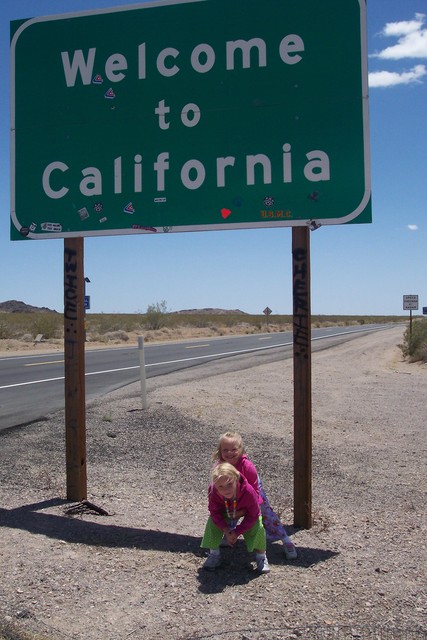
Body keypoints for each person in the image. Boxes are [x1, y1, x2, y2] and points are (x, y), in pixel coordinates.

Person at [212, 431, 297, 560]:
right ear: (220, 450)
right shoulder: (220, 466)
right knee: (228, 509)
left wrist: (246, 510)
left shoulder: (247, 466)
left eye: (233, 449)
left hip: (252, 493)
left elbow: (255, 493)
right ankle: (229, 534)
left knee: (265, 513)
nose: (229, 453)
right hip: (231, 494)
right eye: (225, 450)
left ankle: (285, 540)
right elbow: (216, 487)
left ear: (241, 449)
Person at [201, 462, 270, 573]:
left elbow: (253, 514)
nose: (226, 489)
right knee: (212, 523)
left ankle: (261, 556)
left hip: (246, 511)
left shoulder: (248, 491)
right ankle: (214, 554)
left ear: (236, 479)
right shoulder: (213, 491)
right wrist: (225, 529)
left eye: (229, 484)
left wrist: (237, 531)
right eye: (221, 486)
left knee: (258, 525)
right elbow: (214, 512)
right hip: (225, 509)